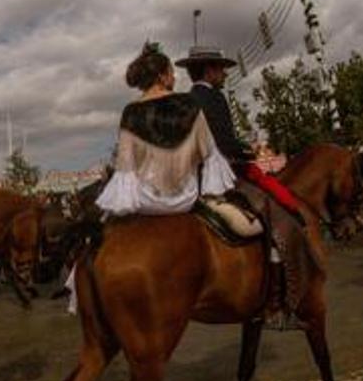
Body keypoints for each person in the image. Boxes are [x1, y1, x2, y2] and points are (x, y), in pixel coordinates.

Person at [179, 46, 316, 330]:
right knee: (272, 215)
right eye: (220, 68)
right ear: (208, 70)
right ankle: (275, 303)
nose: (224, 73)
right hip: (225, 171)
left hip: (196, 175)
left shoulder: (188, 99)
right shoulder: (213, 97)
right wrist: (247, 151)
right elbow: (224, 141)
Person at [96, 44, 234, 216]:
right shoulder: (189, 103)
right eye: (171, 72)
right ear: (162, 76)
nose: (174, 78)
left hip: (146, 202)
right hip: (185, 201)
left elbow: (126, 167)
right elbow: (209, 154)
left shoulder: (130, 111)